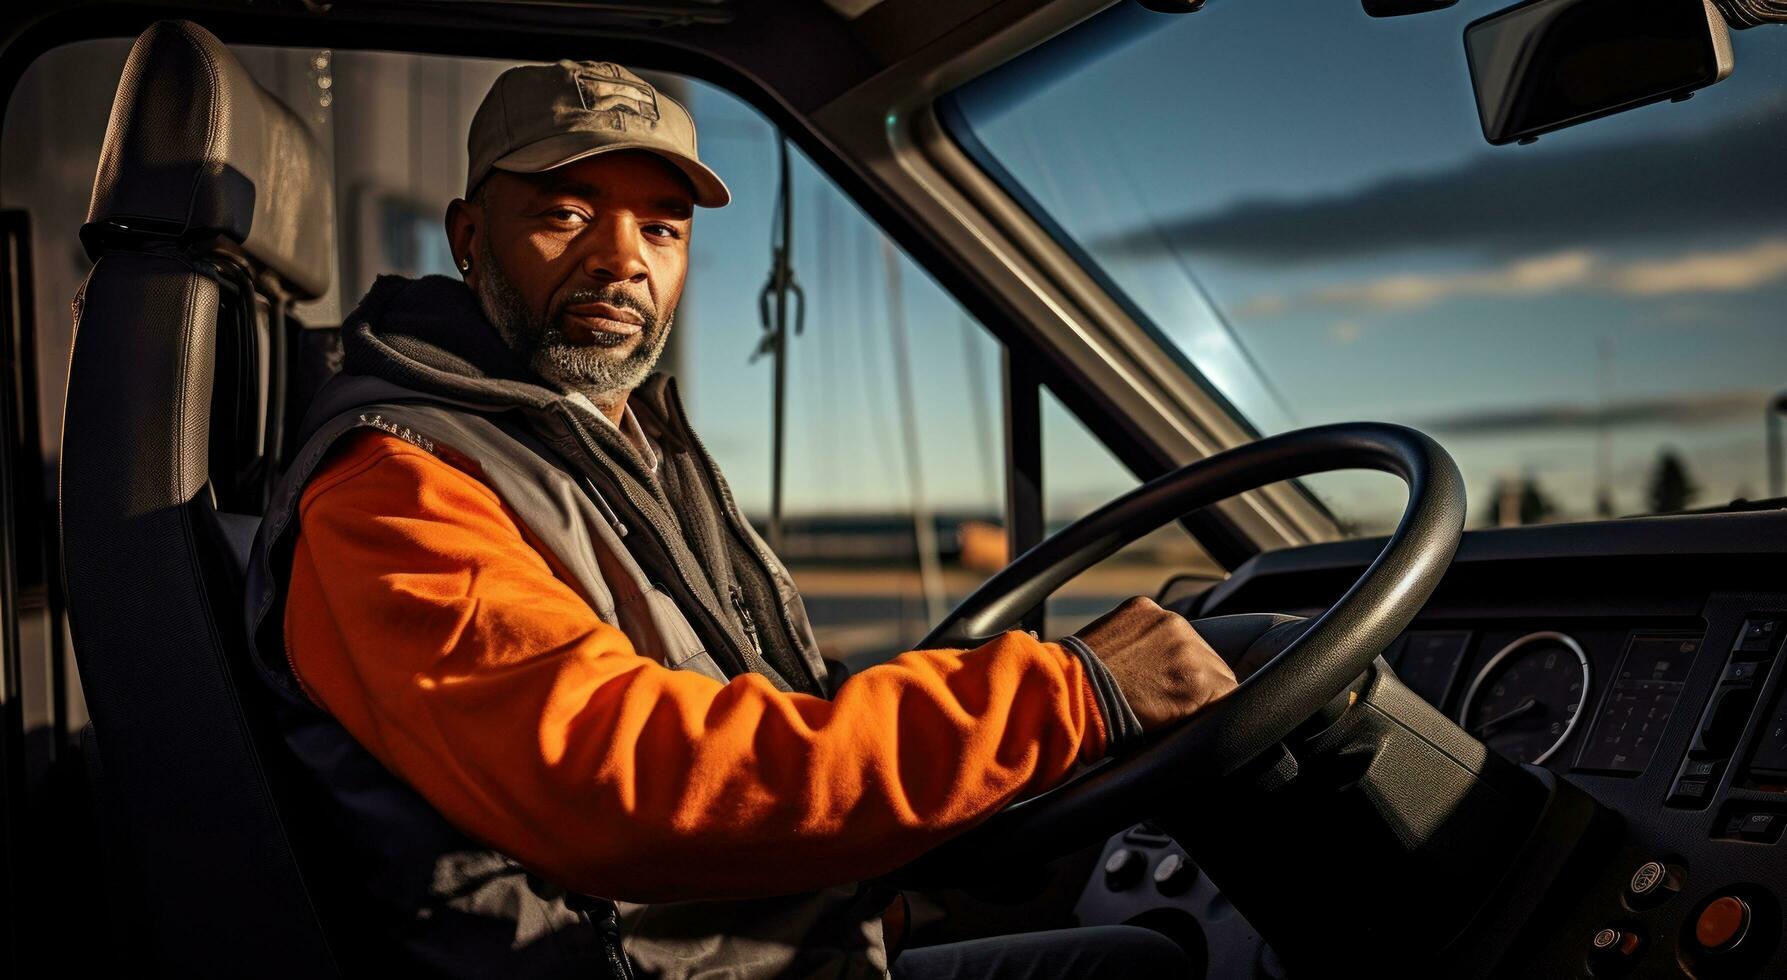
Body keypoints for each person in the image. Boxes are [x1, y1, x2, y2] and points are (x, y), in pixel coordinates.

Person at [245, 59, 1236, 980]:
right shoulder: (395, 488)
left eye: (662, 228)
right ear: (470, 237)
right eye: (565, 214)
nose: (619, 260)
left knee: (1124, 958)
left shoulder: (614, 443)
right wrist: (1069, 692)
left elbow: (765, 690)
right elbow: (626, 782)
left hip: (759, 942)